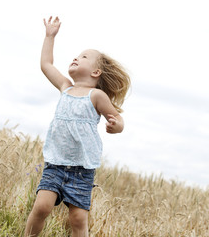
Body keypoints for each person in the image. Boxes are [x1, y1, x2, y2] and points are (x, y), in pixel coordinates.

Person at [24, 16, 130, 237]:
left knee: (78, 218)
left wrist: (116, 126)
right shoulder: (65, 87)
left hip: (81, 169)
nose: (76, 57)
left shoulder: (97, 95)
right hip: (55, 162)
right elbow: (46, 65)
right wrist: (49, 36)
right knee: (41, 207)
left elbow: (117, 118)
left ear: (96, 72)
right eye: (76, 55)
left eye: (83, 57)